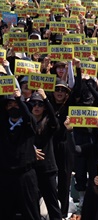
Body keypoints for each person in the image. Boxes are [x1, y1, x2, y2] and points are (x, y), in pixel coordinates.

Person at [0, 89, 41, 220]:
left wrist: (19, 99)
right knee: (5, 212)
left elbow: (28, 117)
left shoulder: (28, 125)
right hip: (6, 175)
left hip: (25, 176)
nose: (13, 107)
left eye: (16, 104)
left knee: (31, 212)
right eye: (10, 105)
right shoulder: (2, 125)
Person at [29, 89, 62, 220]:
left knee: (52, 203)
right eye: (33, 104)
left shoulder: (48, 123)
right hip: (31, 169)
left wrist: (46, 100)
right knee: (32, 204)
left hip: (47, 169)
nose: (36, 107)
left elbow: (55, 121)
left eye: (40, 104)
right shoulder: (25, 123)